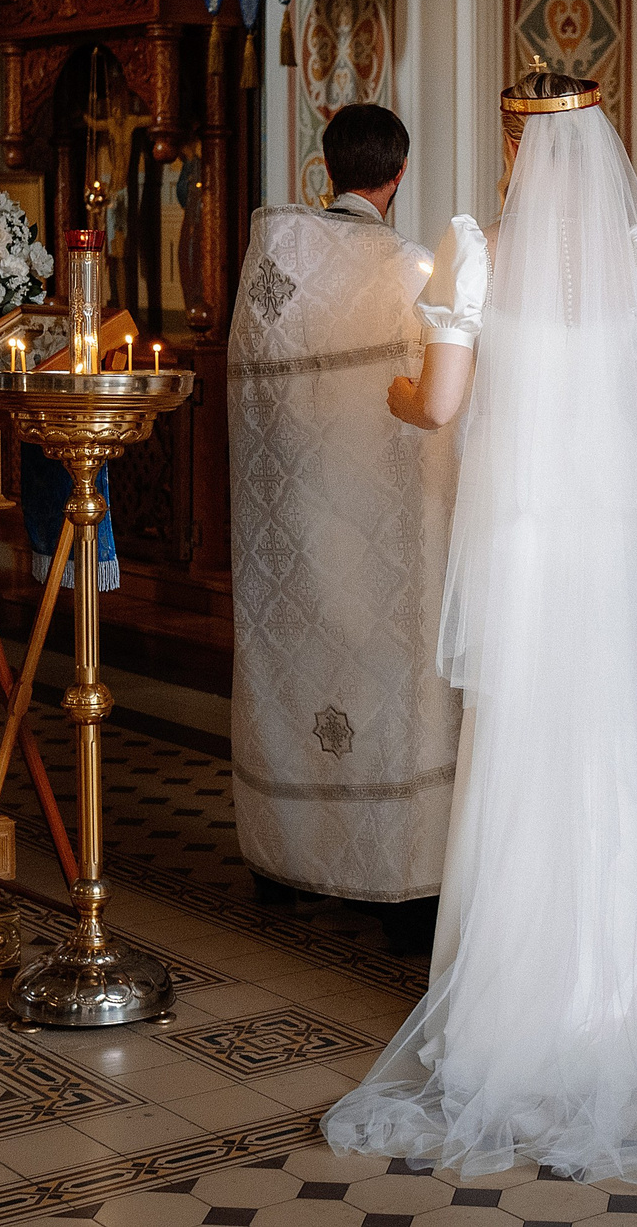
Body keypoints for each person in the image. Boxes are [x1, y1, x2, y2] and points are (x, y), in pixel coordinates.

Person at [324, 70, 637, 1187]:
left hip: (523, 543)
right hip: (606, 544)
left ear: (512, 148)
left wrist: (401, 396)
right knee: (604, 750)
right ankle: (627, 1003)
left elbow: (442, 403)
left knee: (518, 750)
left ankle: (512, 1000)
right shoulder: (636, 260)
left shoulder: (475, 252)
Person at [227, 103, 458, 955]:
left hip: (289, 533)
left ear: (327, 168)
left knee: (294, 672)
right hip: (384, 535)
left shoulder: (271, 271)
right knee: (390, 684)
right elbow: (445, 405)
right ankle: (401, 889)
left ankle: (284, 862)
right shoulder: (410, 272)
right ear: (398, 175)